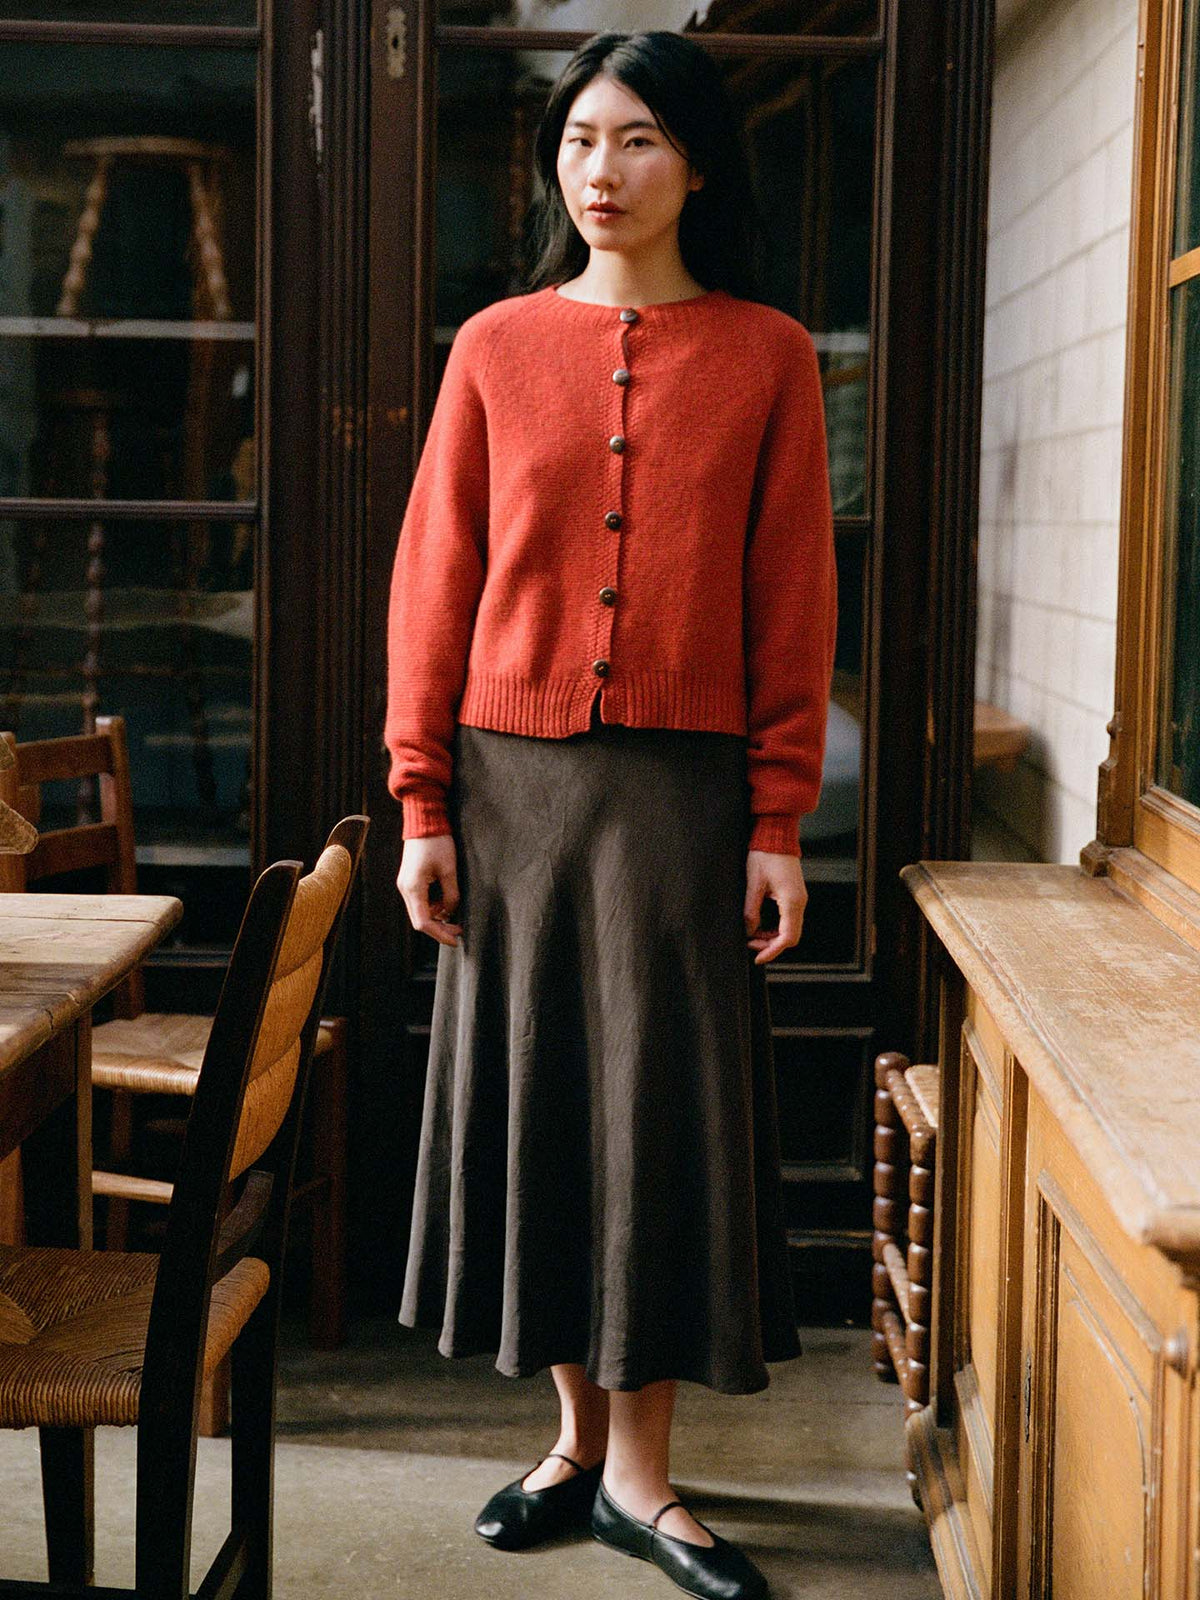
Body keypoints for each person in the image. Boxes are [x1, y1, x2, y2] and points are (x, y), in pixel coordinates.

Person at [385, 28, 837, 1600]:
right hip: (509, 793)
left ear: (697, 162)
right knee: (540, 1100)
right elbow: (431, 585)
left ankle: (645, 1479)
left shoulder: (769, 352)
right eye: (580, 139)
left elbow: (793, 598)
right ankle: (570, 1444)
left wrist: (778, 819)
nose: (601, 170)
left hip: (681, 797)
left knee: (652, 1109)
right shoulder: (493, 348)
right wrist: (419, 802)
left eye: (638, 139)